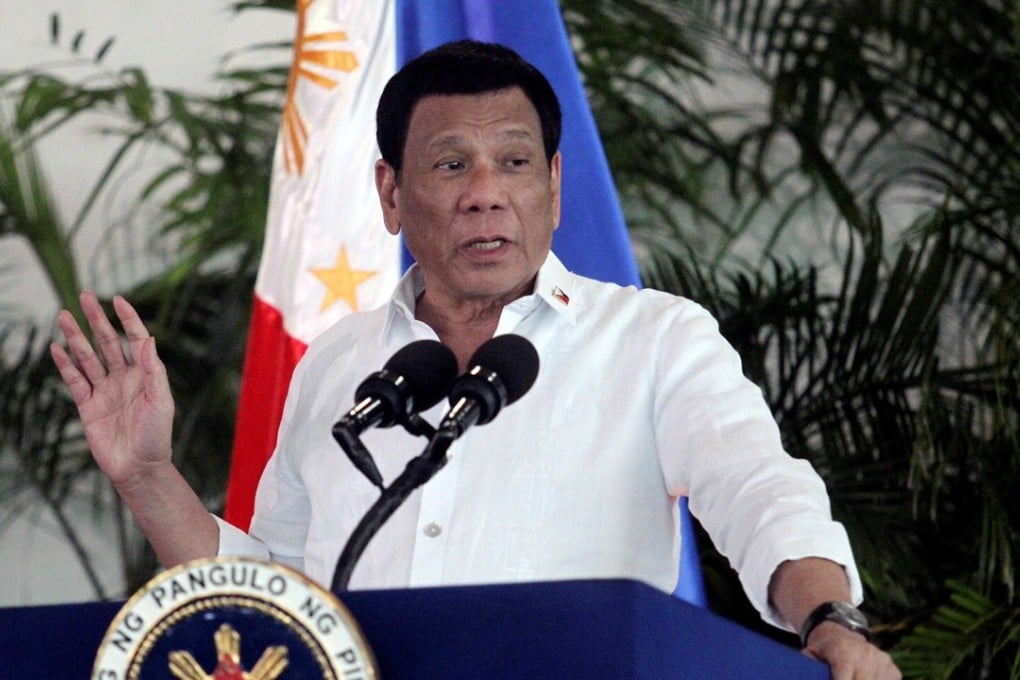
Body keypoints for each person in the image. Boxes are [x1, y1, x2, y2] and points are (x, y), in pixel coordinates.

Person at [51, 40, 900, 678]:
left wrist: (828, 615)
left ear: (556, 186)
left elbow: (759, 491)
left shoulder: (654, 339)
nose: (486, 191)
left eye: (516, 163)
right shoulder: (335, 366)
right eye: (451, 164)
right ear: (391, 194)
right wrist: (149, 477)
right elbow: (279, 600)